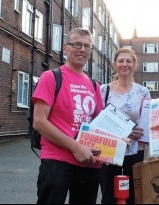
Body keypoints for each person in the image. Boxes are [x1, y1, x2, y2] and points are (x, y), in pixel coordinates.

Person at [32, 28, 104, 204]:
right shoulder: (50, 77)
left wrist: (120, 139)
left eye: (87, 46)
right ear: (65, 48)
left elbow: (101, 124)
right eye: (77, 44)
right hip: (57, 159)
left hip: (88, 162)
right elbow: (39, 122)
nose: (82, 49)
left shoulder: (95, 86)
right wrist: (75, 147)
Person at [99, 48, 151, 204]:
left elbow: (147, 122)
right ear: (114, 64)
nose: (124, 64)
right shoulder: (104, 90)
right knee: (109, 196)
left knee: (133, 196)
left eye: (129, 61)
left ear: (135, 65)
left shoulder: (143, 92)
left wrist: (142, 134)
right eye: (120, 61)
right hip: (109, 150)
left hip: (135, 152)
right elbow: (98, 122)